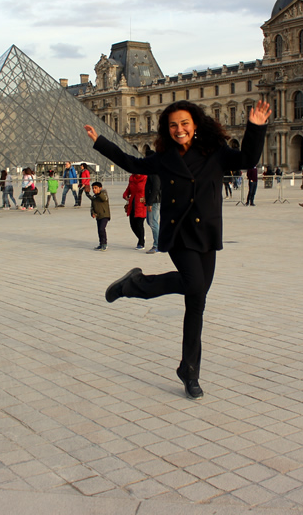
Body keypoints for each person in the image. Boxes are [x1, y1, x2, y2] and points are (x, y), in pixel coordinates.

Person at [85, 99, 270, 400]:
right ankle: (136, 284)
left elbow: (248, 158)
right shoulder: (164, 157)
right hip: (181, 233)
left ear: (195, 124)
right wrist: (101, 142)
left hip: (207, 233)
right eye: (173, 125)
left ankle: (189, 369)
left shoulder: (216, 152)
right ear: (166, 129)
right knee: (194, 285)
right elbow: (133, 163)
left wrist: (256, 126)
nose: (179, 129)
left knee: (196, 302)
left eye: (184, 123)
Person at [123, 173, 147, 249]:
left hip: (141, 204)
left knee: (139, 224)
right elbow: (128, 189)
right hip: (132, 203)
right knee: (132, 224)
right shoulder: (132, 178)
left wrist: (148, 199)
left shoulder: (146, 178)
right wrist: (125, 195)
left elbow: (150, 190)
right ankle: (141, 236)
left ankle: (141, 243)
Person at [85, 181, 110, 251]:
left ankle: (104, 244)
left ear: (100, 188)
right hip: (98, 216)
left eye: (96, 188)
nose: (94, 190)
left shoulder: (103, 194)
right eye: (93, 188)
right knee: (99, 230)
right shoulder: (95, 197)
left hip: (105, 215)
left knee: (102, 229)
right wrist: (92, 213)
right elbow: (92, 206)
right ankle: (101, 243)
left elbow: (103, 198)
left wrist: (99, 193)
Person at [144, 155, 161, 254]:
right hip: (152, 200)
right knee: (150, 221)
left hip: (154, 201)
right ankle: (159, 242)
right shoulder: (152, 171)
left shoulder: (154, 172)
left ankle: (157, 245)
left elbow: (156, 188)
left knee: (153, 222)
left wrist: (150, 202)